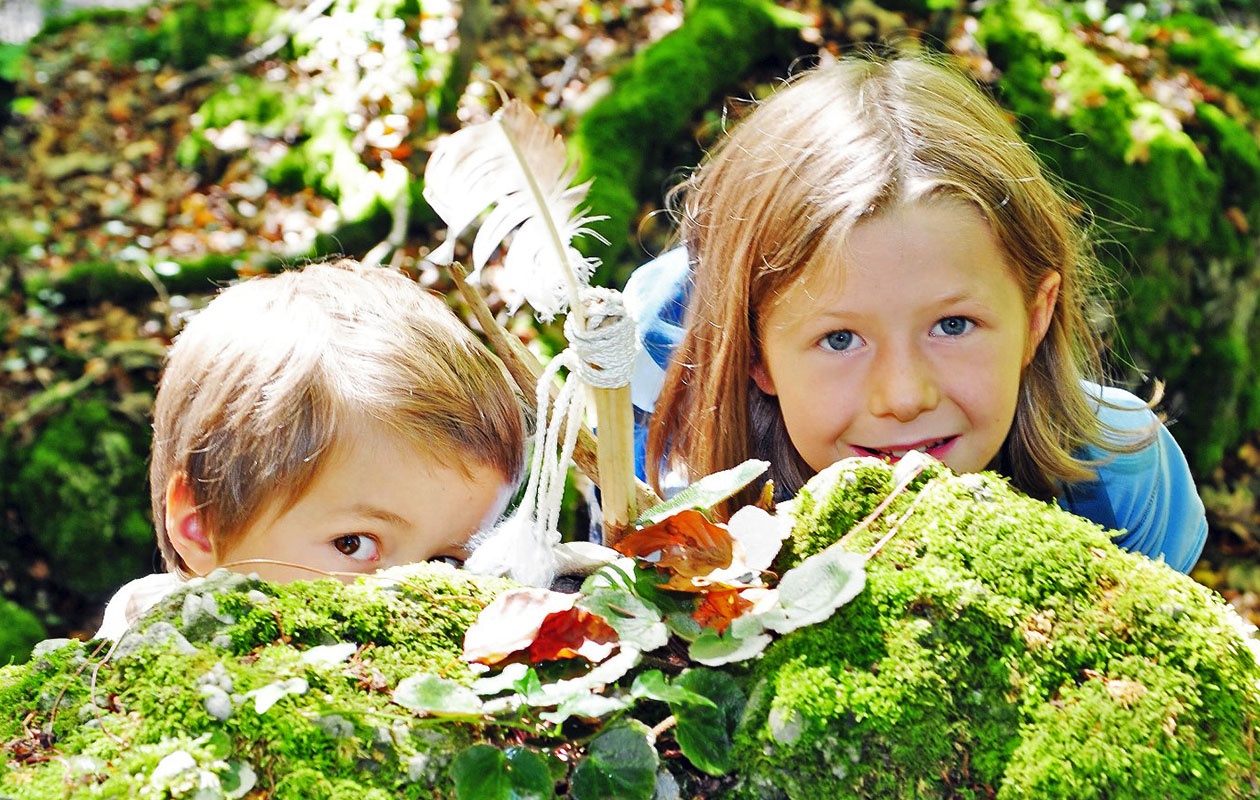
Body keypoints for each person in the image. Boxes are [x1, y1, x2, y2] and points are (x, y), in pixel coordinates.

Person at [625, 54, 1206, 573]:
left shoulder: (1116, 479)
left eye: (952, 326)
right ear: (757, 355)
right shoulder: (668, 483)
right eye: (840, 339)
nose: (904, 398)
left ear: (1035, 317)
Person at [95, 259, 527, 639]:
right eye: (353, 545)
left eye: (445, 564)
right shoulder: (136, 680)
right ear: (199, 525)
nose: (407, 602)